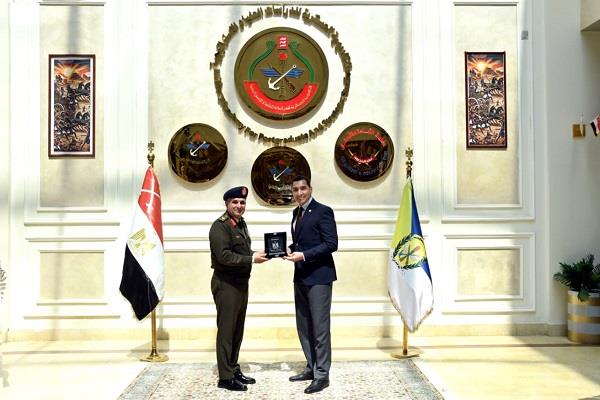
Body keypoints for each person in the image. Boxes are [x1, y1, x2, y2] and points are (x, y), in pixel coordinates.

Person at [209, 186, 268, 391]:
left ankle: (233, 369)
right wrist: (251, 259)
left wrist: (257, 253)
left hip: (241, 283)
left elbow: (240, 251)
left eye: (242, 202)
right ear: (227, 204)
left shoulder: (240, 223)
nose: (239, 205)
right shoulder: (220, 226)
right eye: (235, 202)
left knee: (237, 330)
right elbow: (224, 256)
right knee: (227, 331)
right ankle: (225, 378)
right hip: (226, 284)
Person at [284, 175, 338, 394]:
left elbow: (331, 243)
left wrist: (304, 255)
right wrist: (288, 249)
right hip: (301, 277)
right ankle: (311, 366)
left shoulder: (323, 211)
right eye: (295, 189)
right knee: (304, 326)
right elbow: (302, 242)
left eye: (303, 188)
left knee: (320, 329)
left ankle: (322, 375)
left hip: (319, 278)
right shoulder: (296, 213)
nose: (299, 193)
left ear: (310, 189)